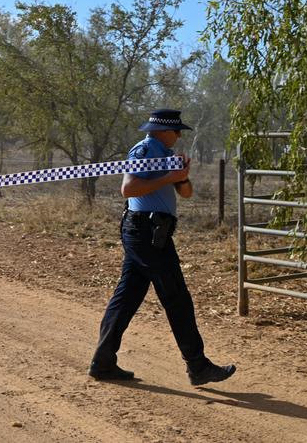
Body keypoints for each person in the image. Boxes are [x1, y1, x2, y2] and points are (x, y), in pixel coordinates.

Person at [88, 109, 236, 386]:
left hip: (152, 232)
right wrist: (169, 177)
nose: (179, 136)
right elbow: (128, 188)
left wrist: (181, 175)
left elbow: (187, 193)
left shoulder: (166, 155)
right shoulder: (144, 150)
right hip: (145, 231)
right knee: (177, 297)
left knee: (127, 298)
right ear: (162, 130)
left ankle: (103, 362)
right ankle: (198, 366)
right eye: (177, 131)